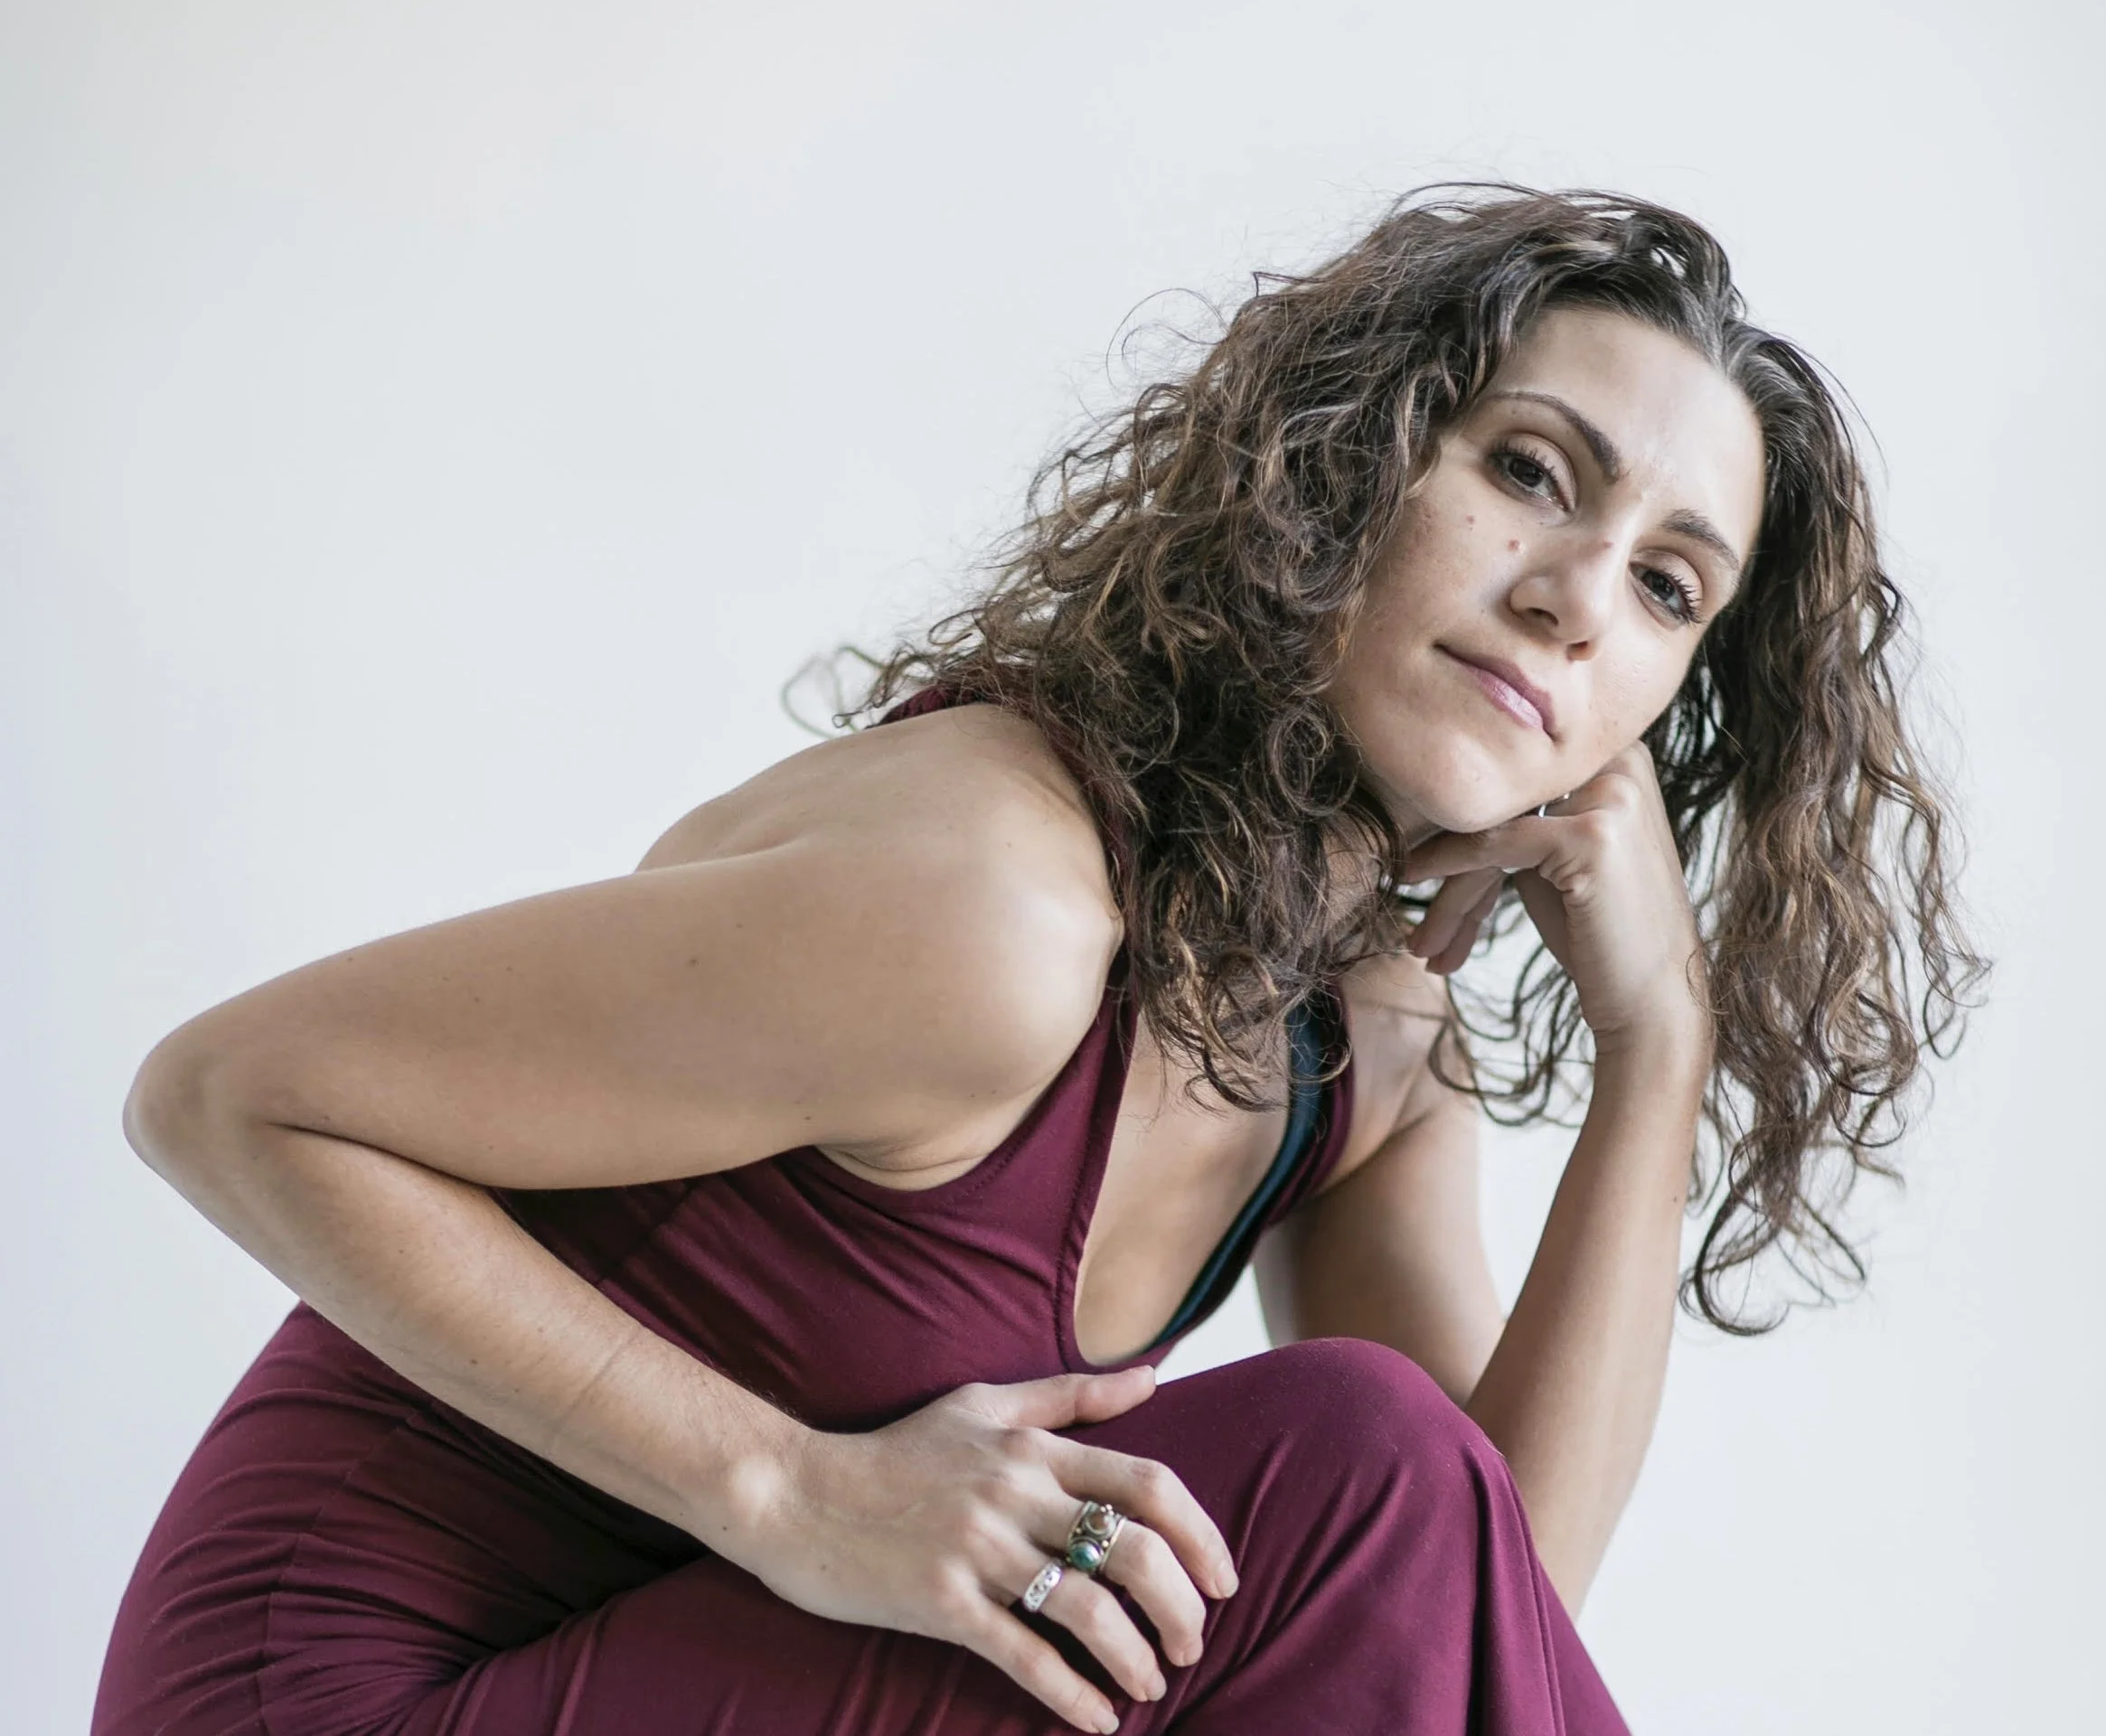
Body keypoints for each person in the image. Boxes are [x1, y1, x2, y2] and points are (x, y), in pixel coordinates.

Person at [93, 184, 1982, 1735]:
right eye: (1527, 469)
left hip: (701, 1677)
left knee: (1389, 1496)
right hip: (340, 1687)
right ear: (1348, 463)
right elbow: (226, 1096)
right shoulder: (993, 900)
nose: (1575, 594)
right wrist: (785, 1493)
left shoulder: (1367, 1049)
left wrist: (1658, 1039)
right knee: (1357, 1457)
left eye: (1668, 585)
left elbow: (1483, 1628)